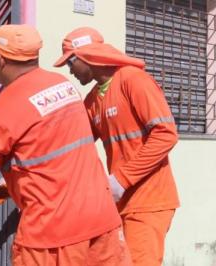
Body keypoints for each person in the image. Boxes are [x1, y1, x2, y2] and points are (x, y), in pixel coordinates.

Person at [0, 24, 131, 265]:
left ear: (1, 60)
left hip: (52, 236)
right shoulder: (64, 86)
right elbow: (44, 144)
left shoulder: (3, 109)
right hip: (101, 221)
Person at [54, 27, 180, 266]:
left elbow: (166, 135)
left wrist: (121, 179)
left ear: (83, 57)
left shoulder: (133, 80)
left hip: (149, 202)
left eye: (70, 64)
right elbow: (70, 148)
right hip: (117, 205)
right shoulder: (92, 101)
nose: (70, 72)